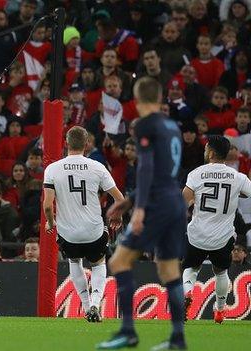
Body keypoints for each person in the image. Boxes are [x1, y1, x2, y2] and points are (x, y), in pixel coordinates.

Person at [99, 77, 187, 350]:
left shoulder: (145, 125)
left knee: (119, 262)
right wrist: (130, 200)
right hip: (175, 202)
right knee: (169, 269)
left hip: (156, 204)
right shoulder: (172, 126)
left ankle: (128, 331)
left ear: (137, 100)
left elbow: (147, 167)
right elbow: (165, 170)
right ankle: (177, 338)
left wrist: (138, 209)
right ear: (160, 98)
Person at [43, 126, 124, 322]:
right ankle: (96, 303)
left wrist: (50, 223)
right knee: (98, 264)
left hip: (68, 233)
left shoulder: (52, 169)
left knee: (74, 261)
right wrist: (117, 216)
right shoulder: (97, 167)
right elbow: (120, 199)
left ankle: (86, 306)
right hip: (93, 231)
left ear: (66, 143)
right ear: (87, 144)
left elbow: (47, 205)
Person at [181, 136, 251, 324]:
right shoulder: (238, 177)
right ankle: (220, 310)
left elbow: (183, 199)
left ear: (211, 152)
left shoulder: (196, 174)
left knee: (190, 268)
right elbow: (247, 192)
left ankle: (187, 291)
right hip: (222, 238)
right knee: (220, 272)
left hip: (197, 235)